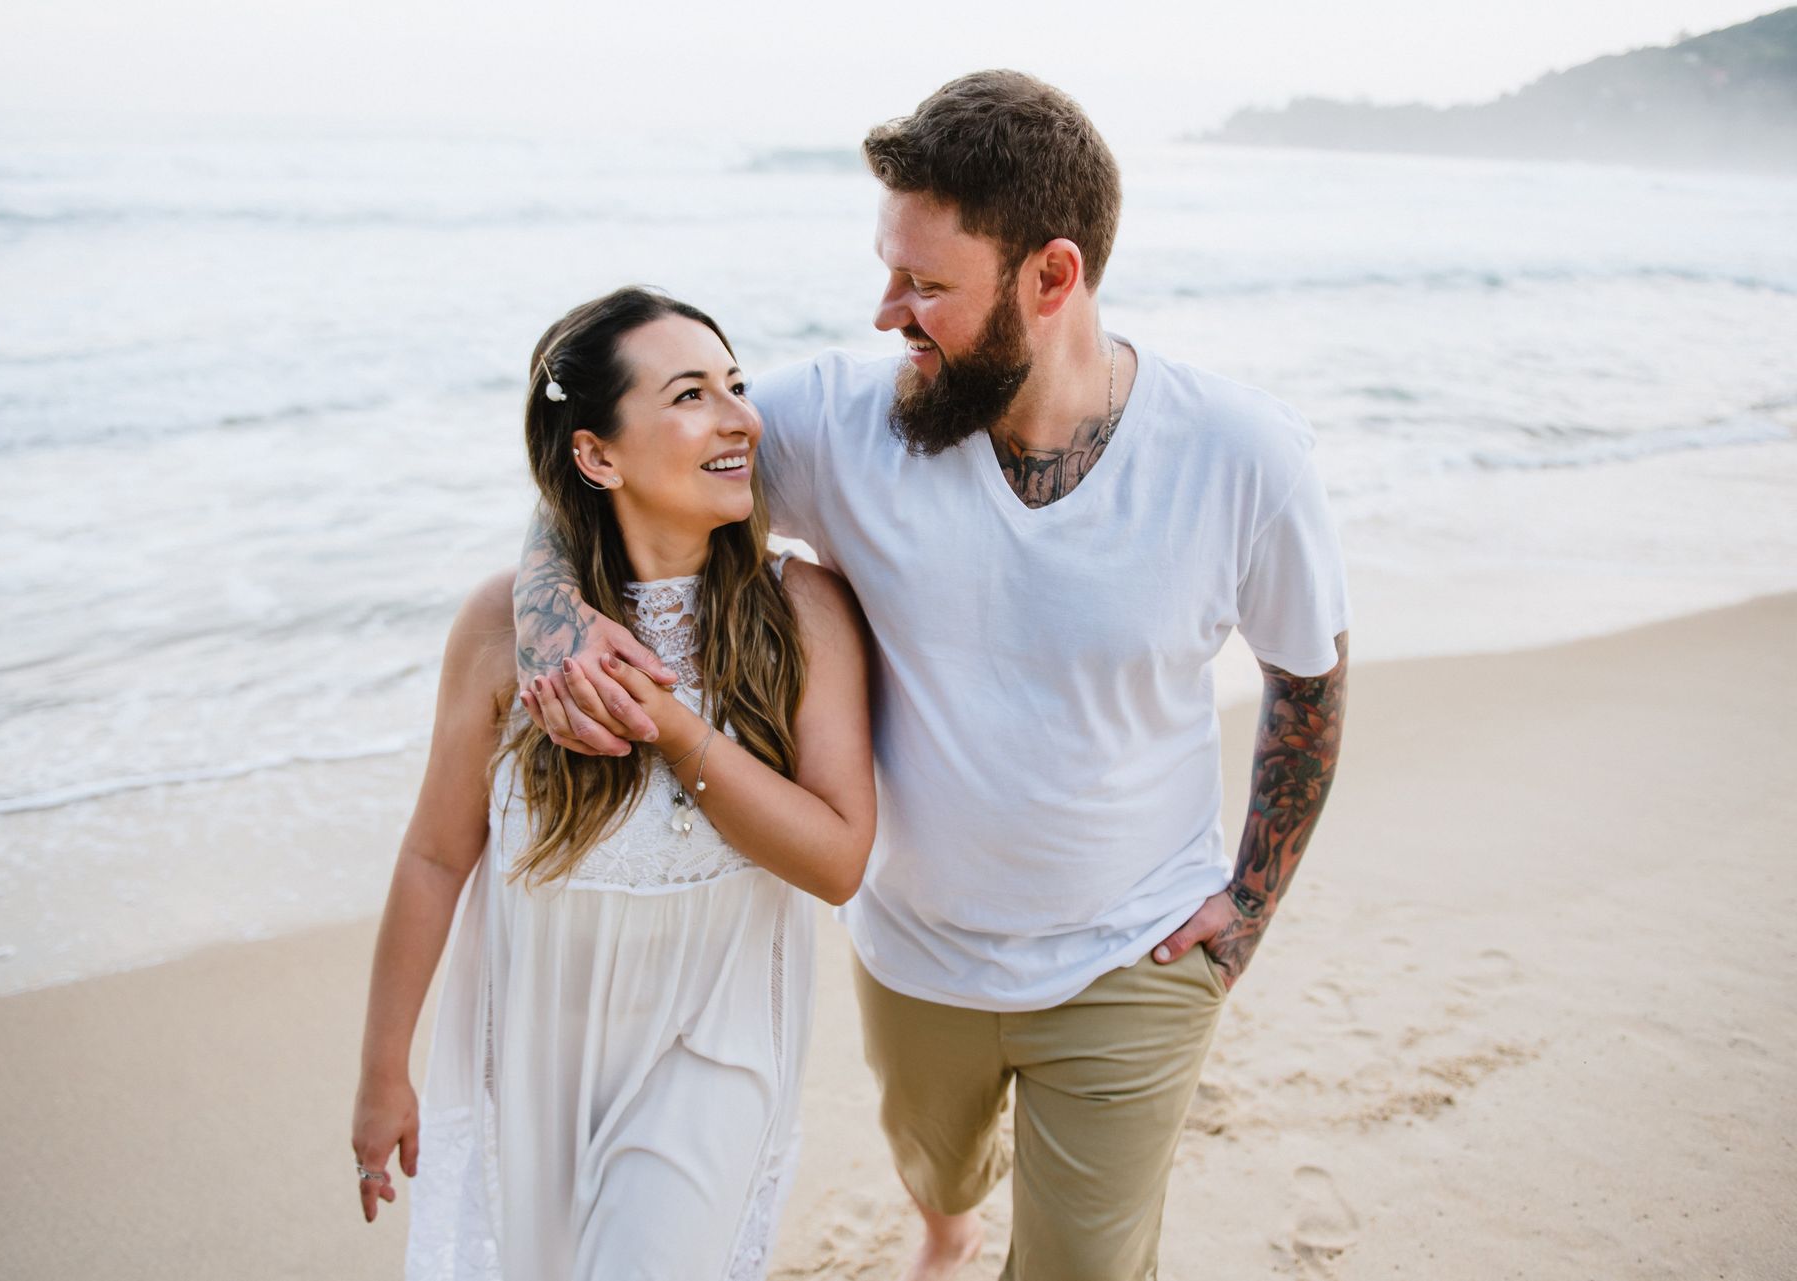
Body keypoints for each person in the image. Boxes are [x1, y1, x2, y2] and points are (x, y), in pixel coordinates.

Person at [521, 71, 1351, 1281]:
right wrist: (548, 621)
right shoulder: (840, 423)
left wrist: (1250, 909)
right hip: (914, 952)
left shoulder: (1242, 456)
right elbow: (608, 473)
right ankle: (947, 1225)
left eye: (925, 285)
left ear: (1051, 278)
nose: (886, 313)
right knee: (940, 1168)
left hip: (1137, 951)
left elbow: (1309, 681)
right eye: (887, 270)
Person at [350, 286, 876, 1281]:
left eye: (735, 385)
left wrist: (671, 727)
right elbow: (435, 856)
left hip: (714, 1036)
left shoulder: (800, 610)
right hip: (541, 1042)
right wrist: (383, 1072)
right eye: (690, 394)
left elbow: (839, 860)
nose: (739, 417)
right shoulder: (505, 626)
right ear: (596, 455)